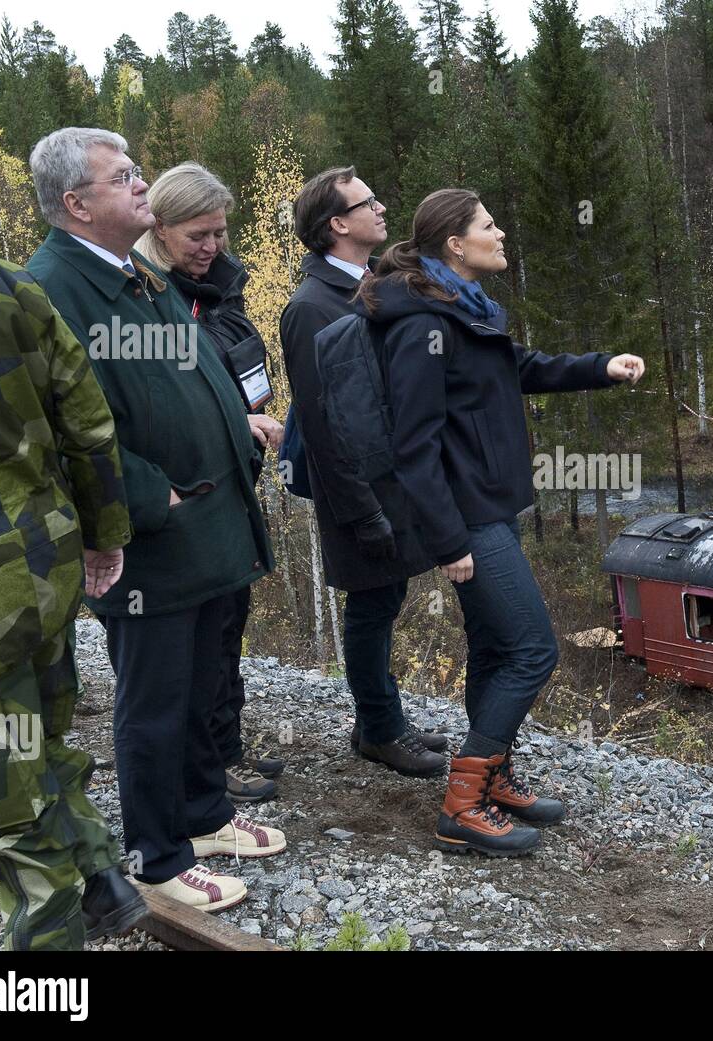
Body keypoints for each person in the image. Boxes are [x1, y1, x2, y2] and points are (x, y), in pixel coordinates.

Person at [25, 128, 285, 912]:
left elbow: (188, 372)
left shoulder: (136, 271)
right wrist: (147, 498)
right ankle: (158, 854)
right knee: (157, 697)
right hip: (154, 536)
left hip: (210, 522)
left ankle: (203, 815)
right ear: (76, 203)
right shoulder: (51, 290)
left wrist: (232, 422)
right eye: (125, 176)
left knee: (204, 682)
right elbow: (61, 425)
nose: (144, 185)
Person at [356, 189, 645, 856]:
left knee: (493, 648)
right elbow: (414, 446)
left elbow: (516, 369)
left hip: (491, 507)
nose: (501, 230)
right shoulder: (423, 323)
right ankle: (462, 801)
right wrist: (448, 537)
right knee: (532, 648)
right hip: (469, 517)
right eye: (489, 224)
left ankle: (494, 775)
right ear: (455, 244)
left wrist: (599, 367)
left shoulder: (466, 311)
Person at [0, 245, 144, 949]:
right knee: (42, 738)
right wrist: (105, 530)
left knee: (7, 803)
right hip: (40, 558)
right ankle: (102, 874)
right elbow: (86, 418)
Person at [281, 165, 449, 778]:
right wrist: (360, 509)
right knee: (372, 605)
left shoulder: (371, 282)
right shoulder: (309, 306)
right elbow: (322, 423)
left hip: (393, 482)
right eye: (368, 202)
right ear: (337, 224)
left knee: (388, 597)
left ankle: (384, 721)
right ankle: (379, 731)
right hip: (357, 492)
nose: (382, 208)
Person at [136, 162, 285, 804]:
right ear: (159, 228)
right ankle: (208, 772)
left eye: (220, 232)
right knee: (200, 640)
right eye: (198, 234)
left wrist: (250, 416)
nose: (212, 246)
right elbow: (161, 403)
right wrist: (234, 420)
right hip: (187, 491)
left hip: (234, 481)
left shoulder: (220, 288)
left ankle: (226, 750)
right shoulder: (144, 297)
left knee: (230, 624)